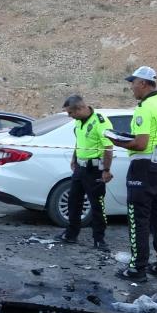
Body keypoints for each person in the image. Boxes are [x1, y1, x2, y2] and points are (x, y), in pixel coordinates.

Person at [108, 66, 157, 282]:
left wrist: (116, 140)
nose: (131, 87)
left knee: (138, 218)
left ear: (144, 84)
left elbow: (140, 143)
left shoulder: (144, 108)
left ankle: (137, 268)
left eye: (134, 83)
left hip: (144, 167)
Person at [55, 95, 114, 251]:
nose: (69, 116)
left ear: (80, 108)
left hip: (94, 170)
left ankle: (99, 239)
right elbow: (79, 141)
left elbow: (108, 147)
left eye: (70, 113)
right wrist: (74, 158)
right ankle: (71, 234)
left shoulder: (100, 122)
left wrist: (106, 170)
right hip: (80, 169)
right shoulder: (79, 122)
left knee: (97, 205)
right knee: (74, 202)